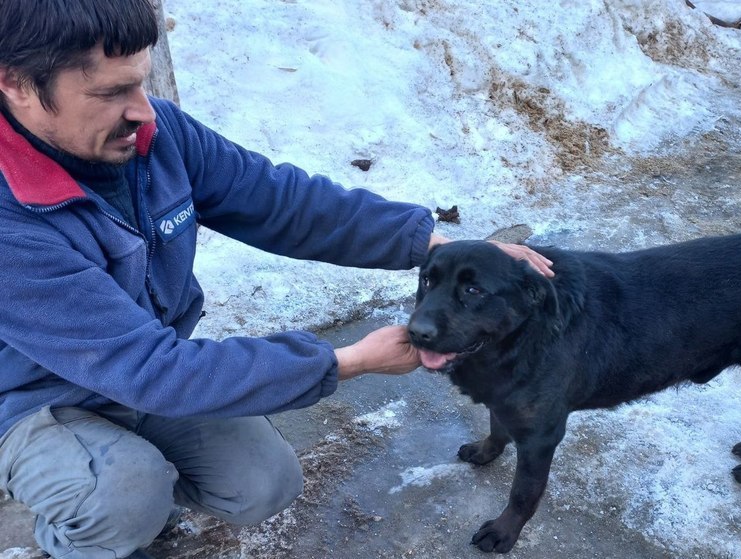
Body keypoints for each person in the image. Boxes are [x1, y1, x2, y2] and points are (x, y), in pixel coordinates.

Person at [0, 1, 553, 557]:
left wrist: (432, 243)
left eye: (140, 84)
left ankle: (126, 491)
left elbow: (280, 202)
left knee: (263, 483)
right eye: (109, 93)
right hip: (34, 400)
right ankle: (88, 530)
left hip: (141, 372)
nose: (143, 111)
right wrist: (347, 361)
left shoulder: (156, 137)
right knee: (124, 496)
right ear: (17, 84)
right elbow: (152, 370)